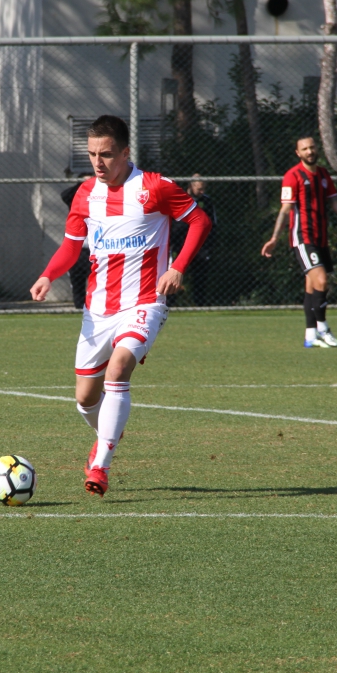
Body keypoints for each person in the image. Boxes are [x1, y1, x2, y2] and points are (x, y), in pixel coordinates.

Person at [30, 115, 212, 496]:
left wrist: (178, 266)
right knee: (85, 398)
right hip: (98, 310)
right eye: (92, 154)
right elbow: (70, 247)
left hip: (144, 302)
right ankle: (108, 432)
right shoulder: (85, 194)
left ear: (126, 152)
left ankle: (100, 466)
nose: (98, 162)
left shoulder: (154, 187)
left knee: (119, 368)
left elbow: (200, 221)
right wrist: (48, 274)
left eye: (107, 154)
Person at [261, 136, 337, 348]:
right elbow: (285, 210)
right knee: (321, 281)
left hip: (320, 238)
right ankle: (323, 328)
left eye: (312, 147)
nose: (309, 151)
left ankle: (310, 335)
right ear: (298, 153)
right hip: (303, 238)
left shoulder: (323, 174)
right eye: (304, 149)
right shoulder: (292, 176)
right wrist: (275, 238)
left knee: (312, 286)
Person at [170, 174, 217, 306]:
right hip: (179, 244)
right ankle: (170, 304)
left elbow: (212, 224)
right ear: (191, 185)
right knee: (174, 273)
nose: (202, 192)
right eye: (199, 189)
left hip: (200, 247)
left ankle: (199, 304)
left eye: (204, 189)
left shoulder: (207, 201)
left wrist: (208, 245)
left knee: (200, 276)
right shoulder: (180, 198)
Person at [60, 174, 93, 310]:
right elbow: (65, 195)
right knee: (77, 280)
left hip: (97, 249)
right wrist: (82, 184)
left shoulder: (101, 198)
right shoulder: (75, 199)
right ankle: (79, 308)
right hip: (79, 248)